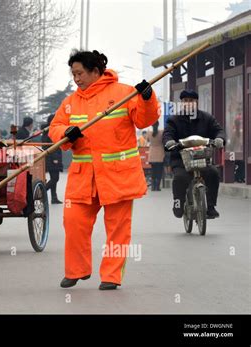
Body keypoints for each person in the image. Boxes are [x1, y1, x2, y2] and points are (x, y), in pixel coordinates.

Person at [49, 50, 159, 290]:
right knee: (73, 221)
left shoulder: (124, 93)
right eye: (73, 74)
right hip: (83, 177)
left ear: (95, 71)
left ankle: (111, 276)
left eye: (79, 73)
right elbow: (56, 126)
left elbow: (144, 120)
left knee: (118, 229)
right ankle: (77, 270)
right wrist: (65, 133)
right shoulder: (71, 102)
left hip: (118, 176)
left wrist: (148, 98)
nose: (76, 78)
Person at [163, 89, 225, 219]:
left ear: (196, 102)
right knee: (180, 178)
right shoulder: (174, 120)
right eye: (185, 101)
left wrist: (219, 139)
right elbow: (167, 134)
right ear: (181, 103)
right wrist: (169, 142)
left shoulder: (207, 118)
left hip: (202, 157)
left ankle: (211, 206)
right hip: (181, 159)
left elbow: (218, 130)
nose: (188, 103)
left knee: (213, 173)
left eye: (191, 101)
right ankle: (178, 204)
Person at [41, 114, 63, 204]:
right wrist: (55, 158)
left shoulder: (47, 130)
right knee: (55, 178)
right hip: (52, 157)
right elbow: (50, 145)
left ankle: (54, 197)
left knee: (54, 178)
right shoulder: (49, 131)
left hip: (52, 156)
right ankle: (42, 192)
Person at [146, 121, 165, 191]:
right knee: (159, 171)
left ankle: (153, 187)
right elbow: (164, 141)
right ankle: (157, 186)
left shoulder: (149, 132)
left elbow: (147, 140)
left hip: (152, 153)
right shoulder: (162, 132)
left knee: (153, 171)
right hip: (160, 153)